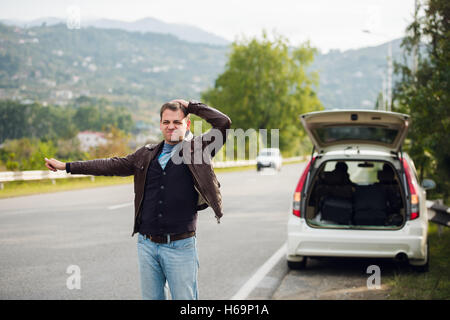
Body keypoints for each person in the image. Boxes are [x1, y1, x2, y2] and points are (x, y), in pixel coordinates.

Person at [44, 99, 231, 300]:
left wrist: (192, 106)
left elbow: (223, 123)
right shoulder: (145, 154)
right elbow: (110, 165)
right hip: (147, 245)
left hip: (181, 246)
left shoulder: (198, 150)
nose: (171, 126)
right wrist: (68, 166)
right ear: (160, 124)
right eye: (166, 122)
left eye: (177, 122)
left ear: (187, 124)